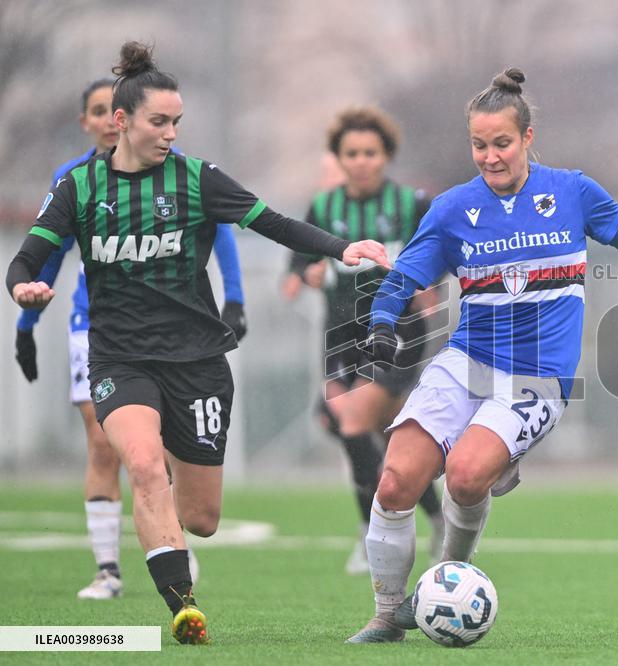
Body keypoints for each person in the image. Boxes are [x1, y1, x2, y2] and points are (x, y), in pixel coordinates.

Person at [6, 42, 389, 644]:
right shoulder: (79, 187)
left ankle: (175, 541)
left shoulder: (196, 178)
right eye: (159, 121)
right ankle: (182, 605)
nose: (170, 132)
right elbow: (30, 256)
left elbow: (274, 223)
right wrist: (22, 288)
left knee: (203, 517)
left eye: (177, 121)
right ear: (121, 121)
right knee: (143, 464)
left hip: (198, 362)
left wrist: (342, 248)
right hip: (120, 358)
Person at [345, 68, 618, 644]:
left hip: (538, 377)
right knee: (396, 480)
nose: (490, 157)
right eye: (479, 145)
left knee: (466, 475)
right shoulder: (454, 208)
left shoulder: (573, 192)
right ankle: (386, 615)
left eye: (502, 143)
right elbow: (403, 277)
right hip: (466, 360)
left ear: (528, 138)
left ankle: (444, 578)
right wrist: (380, 325)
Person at [13, 78, 247, 601]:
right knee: (114, 448)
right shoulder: (74, 181)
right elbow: (42, 257)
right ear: (104, 121)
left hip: (184, 345)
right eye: (94, 111)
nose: (102, 120)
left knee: (194, 506)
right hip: (100, 331)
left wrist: (235, 299)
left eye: (172, 122)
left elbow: (229, 228)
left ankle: (166, 526)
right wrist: (25, 323)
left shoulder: (185, 174)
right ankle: (114, 573)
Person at [282, 106, 444, 576]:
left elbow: (441, 251)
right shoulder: (325, 208)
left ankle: (374, 532)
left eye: (370, 152)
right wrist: (303, 273)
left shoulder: (411, 204)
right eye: (351, 153)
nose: (361, 161)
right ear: (340, 157)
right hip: (339, 332)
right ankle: (437, 518)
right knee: (380, 430)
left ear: (386, 156)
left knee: (351, 420)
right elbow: (300, 261)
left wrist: (429, 282)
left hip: (398, 329)